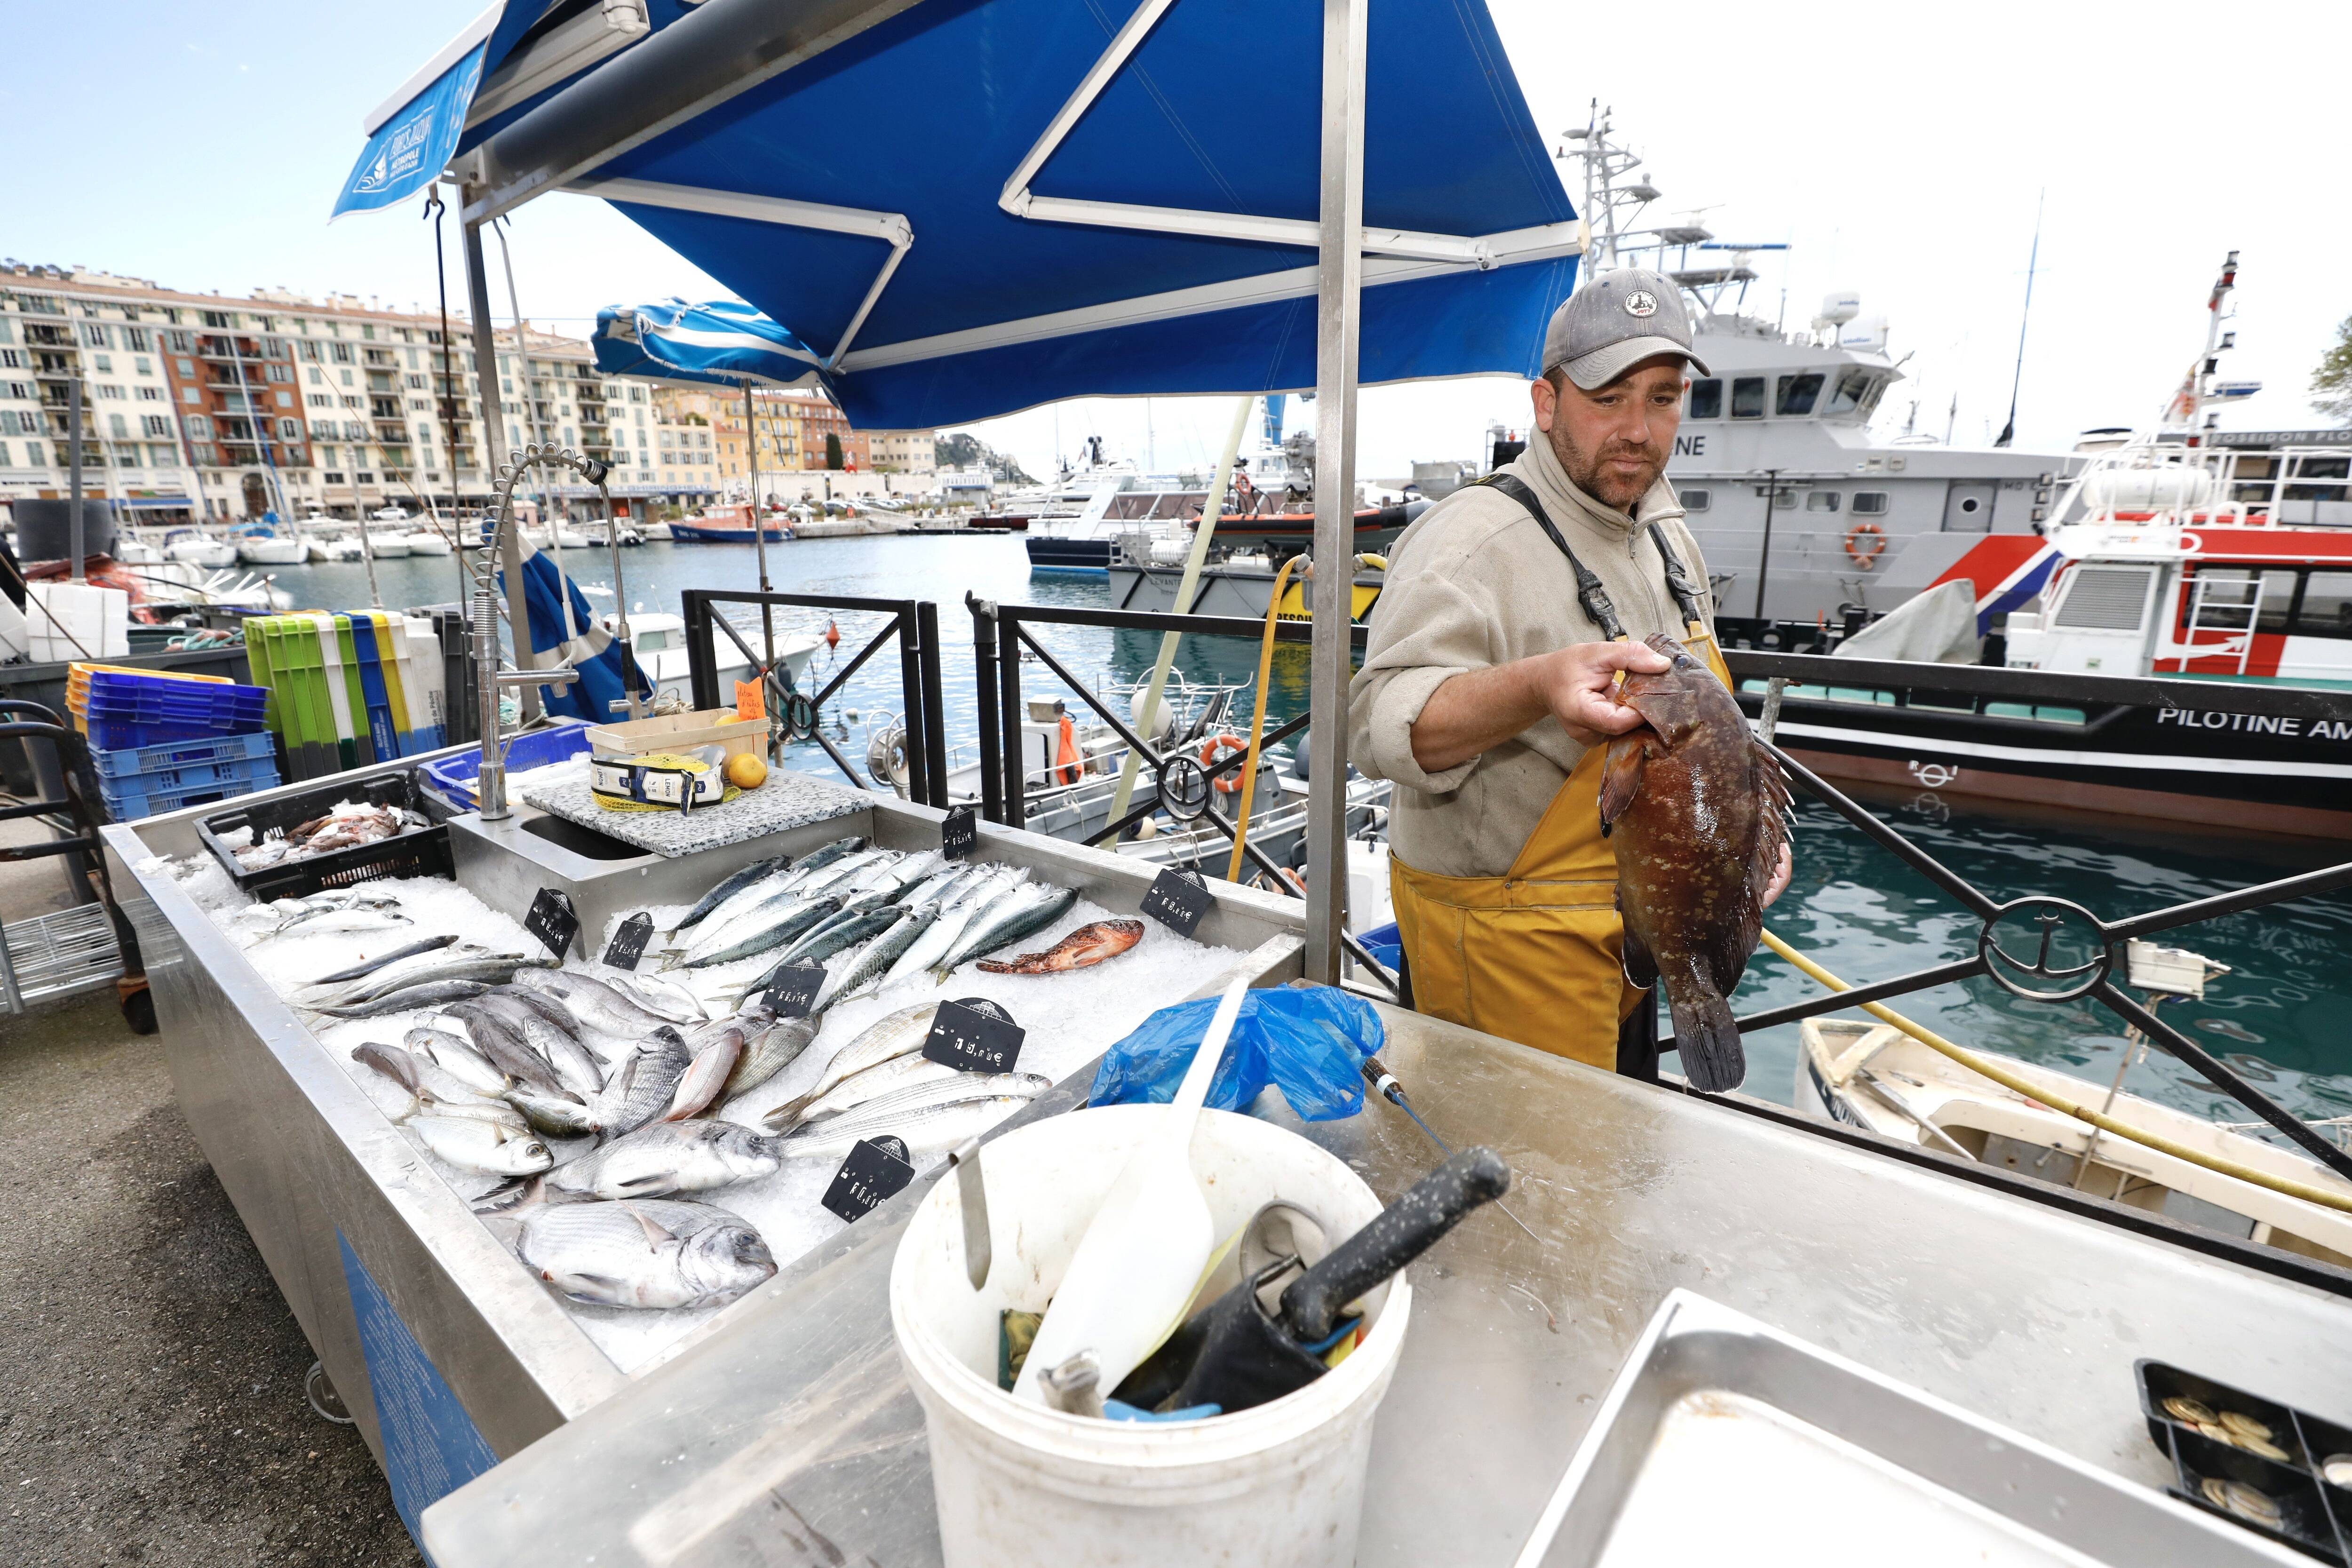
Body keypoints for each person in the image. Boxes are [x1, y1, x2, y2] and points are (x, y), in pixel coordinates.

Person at [1347, 268, 1791, 1076]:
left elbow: (1707, 741)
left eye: (1662, 397)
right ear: (1546, 403)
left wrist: (1741, 850)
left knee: (1607, 1188)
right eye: (1608, 397)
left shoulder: (1664, 536)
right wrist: (1538, 686)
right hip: (1503, 977)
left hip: (1628, 952)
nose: (1639, 429)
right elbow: (1378, 726)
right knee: (1510, 1199)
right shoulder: (1470, 541)